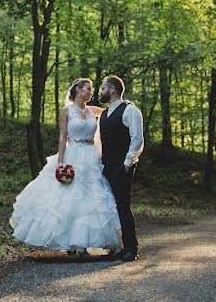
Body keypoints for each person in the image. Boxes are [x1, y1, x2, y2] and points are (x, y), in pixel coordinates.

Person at [9, 78, 122, 253]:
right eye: (88, 89)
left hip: (91, 156)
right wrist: (60, 161)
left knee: (90, 199)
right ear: (78, 90)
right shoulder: (66, 111)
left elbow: (115, 108)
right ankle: (70, 244)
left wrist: (125, 103)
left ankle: (83, 243)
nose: (91, 92)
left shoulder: (94, 111)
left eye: (92, 89)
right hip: (73, 154)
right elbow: (62, 137)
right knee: (68, 198)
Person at [98, 75, 144, 262]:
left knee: (122, 206)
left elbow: (137, 139)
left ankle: (131, 248)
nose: (100, 91)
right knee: (110, 207)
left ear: (112, 90)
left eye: (102, 88)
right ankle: (117, 246)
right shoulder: (104, 113)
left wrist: (127, 164)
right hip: (106, 166)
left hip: (121, 166)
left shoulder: (130, 110)